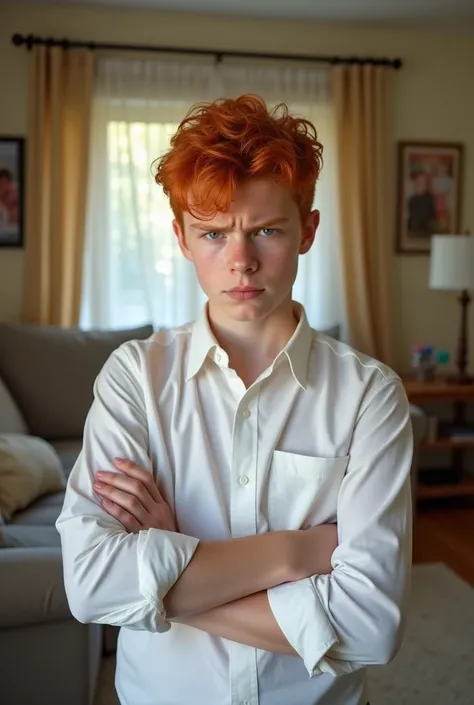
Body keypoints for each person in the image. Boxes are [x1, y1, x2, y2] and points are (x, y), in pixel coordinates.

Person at [56, 94, 413, 705]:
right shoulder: (134, 378)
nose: (241, 262)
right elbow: (91, 586)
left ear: (308, 231)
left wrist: (169, 567)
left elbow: (370, 627)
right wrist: (294, 552)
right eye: (214, 234)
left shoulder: (369, 394)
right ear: (181, 238)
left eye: (266, 230)